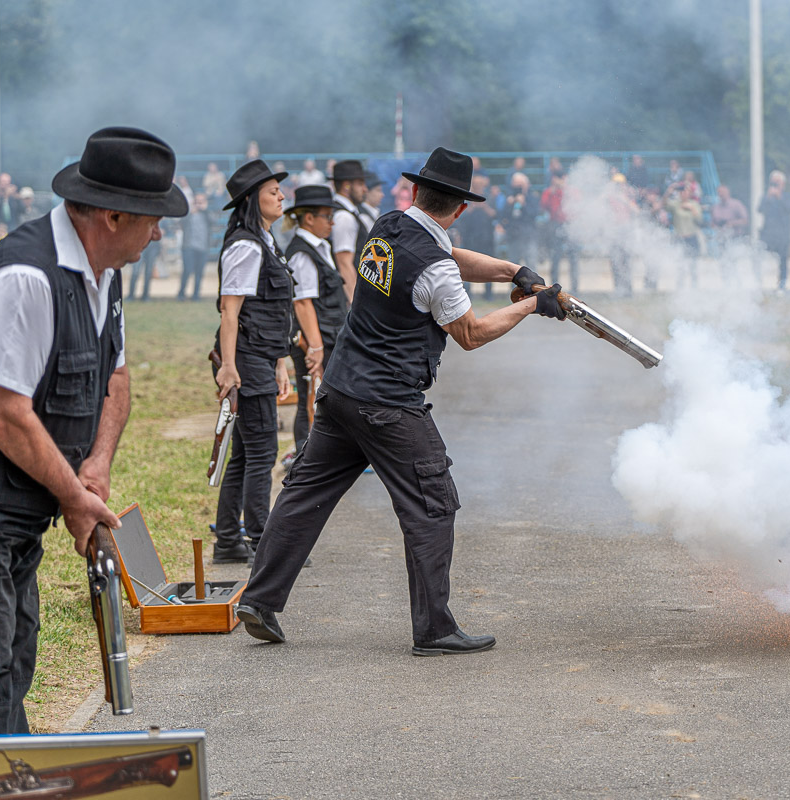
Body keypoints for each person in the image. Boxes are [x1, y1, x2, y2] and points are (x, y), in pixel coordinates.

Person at [0, 126, 187, 735]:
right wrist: (72, 497)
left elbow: (115, 376)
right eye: (153, 219)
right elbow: (3, 411)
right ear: (113, 216)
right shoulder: (26, 280)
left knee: (11, 665)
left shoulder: (102, 272)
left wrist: (97, 464)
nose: (160, 233)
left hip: (9, 508)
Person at [235, 147, 566, 654]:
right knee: (434, 505)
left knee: (304, 493)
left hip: (342, 389)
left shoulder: (389, 226)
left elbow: (449, 256)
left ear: (414, 192)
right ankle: (434, 629)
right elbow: (471, 333)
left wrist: (512, 270)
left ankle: (259, 600)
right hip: (387, 401)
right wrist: (531, 305)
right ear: (461, 208)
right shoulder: (436, 269)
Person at [211, 160, 294, 564]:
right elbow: (230, 311)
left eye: (280, 190)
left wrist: (279, 362)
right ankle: (261, 541)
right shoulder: (246, 245)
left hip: (259, 356)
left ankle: (229, 540)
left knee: (246, 453)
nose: (281, 196)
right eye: (272, 191)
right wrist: (228, 366)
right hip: (245, 358)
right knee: (262, 451)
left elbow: (272, 311)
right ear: (251, 199)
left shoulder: (265, 241)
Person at [281, 184, 344, 458]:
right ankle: (303, 457)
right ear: (309, 218)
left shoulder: (320, 246)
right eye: (326, 216)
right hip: (315, 340)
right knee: (309, 398)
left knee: (322, 399)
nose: (331, 222)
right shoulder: (302, 253)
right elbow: (303, 303)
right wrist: (316, 348)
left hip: (327, 337)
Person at [330, 160, 369, 303]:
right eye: (360, 184)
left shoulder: (348, 213)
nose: (365, 189)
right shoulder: (344, 217)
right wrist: (355, 305)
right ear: (346, 186)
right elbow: (344, 263)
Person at [541, 170, 579, 293]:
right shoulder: (550, 191)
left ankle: (575, 288)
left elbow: (578, 201)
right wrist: (552, 192)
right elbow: (543, 205)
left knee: (573, 257)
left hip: (570, 225)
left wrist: (565, 188)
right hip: (555, 224)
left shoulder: (571, 190)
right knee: (555, 257)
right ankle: (554, 287)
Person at [759, 170, 790, 293]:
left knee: (782, 261)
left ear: (783, 184)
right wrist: (768, 197)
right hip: (768, 233)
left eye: (777, 183)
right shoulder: (766, 197)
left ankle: (782, 285)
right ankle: (759, 282)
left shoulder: (788, 196)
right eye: (773, 183)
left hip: (782, 234)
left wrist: (779, 197)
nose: (774, 185)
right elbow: (760, 209)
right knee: (759, 257)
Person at [665, 182, 703, 287]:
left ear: (690, 193)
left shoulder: (695, 204)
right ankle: (680, 287)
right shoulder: (675, 204)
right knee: (680, 265)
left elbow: (700, 220)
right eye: (681, 191)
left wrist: (692, 209)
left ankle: (694, 286)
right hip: (679, 238)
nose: (683, 193)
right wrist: (669, 191)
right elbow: (664, 205)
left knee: (693, 265)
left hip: (691, 237)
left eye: (686, 191)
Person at [179, 192, 211, 300]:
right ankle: (181, 293)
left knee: (199, 273)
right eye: (197, 201)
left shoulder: (207, 214)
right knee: (187, 271)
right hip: (189, 246)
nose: (199, 204)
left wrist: (205, 210)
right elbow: (181, 223)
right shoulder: (189, 213)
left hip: (203, 247)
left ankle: (196, 295)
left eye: (201, 202)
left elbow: (214, 221)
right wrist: (190, 213)